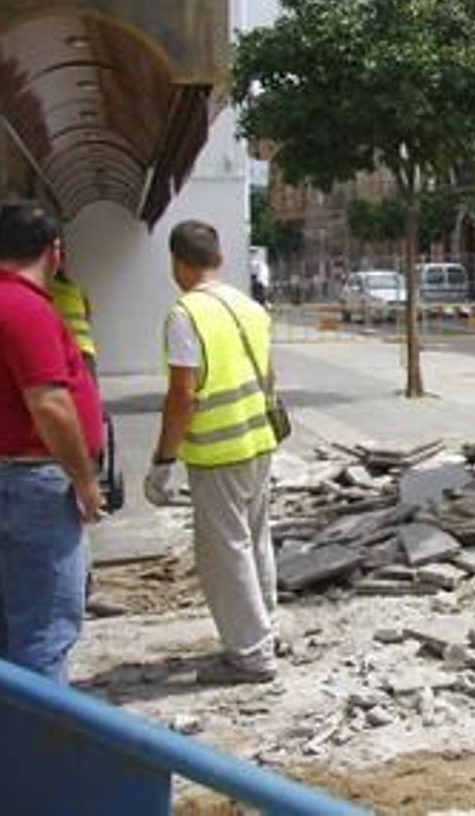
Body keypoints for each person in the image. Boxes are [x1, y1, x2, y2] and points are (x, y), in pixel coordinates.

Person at [144, 220, 280, 686]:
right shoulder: (249, 306)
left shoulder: (186, 315)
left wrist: (163, 461)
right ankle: (265, 632)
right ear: (218, 259)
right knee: (254, 541)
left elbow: (182, 395)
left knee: (227, 553)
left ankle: (251, 654)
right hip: (259, 441)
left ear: (178, 263)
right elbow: (269, 375)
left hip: (218, 451)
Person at [0, 201, 105, 683]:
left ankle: (4, 741)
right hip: (30, 484)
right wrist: (85, 480)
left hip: (1, 481)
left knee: (2, 619)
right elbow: (50, 404)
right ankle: (37, 753)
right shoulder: (24, 309)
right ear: (55, 251)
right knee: (45, 630)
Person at [48, 269, 98, 381]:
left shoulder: (47, 290)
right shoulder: (78, 289)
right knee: (90, 390)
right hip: (85, 347)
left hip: (63, 349)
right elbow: (88, 315)